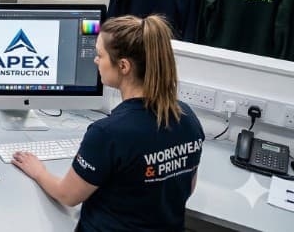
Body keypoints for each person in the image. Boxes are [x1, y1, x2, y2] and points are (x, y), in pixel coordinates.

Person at [12, 15, 205, 232]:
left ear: (123, 66)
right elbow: (187, 188)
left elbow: (68, 196)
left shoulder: (108, 133)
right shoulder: (187, 118)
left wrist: (39, 171)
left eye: (100, 55)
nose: (95, 61)